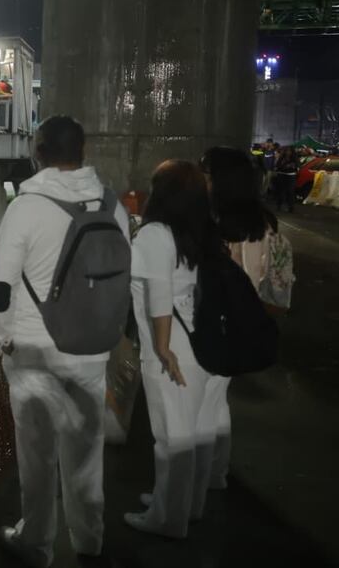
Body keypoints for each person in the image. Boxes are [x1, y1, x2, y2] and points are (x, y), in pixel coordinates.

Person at [0, 116, 130, 566]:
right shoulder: (114, 207)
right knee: (86, 455)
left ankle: (37, 542)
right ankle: (90, 541)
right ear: (83, 149)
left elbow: (1, 287)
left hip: (35, 352)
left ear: (38, 150)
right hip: (92, 350)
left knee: (37, 457)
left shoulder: (25, 208)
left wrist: (4, 337)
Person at [126, 160, 224, 539]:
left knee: (171, 437)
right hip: (196, 339)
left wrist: (163, 350)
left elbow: (160, 297)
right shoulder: (196, 231)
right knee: (190, 432)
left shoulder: (154, 235)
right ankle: (183, 505)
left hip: (170, 347)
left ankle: (167, 521)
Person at [199, 147, 294, 492]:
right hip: (241, 325)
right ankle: (215, 474)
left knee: (197, 406)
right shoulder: (269, 227)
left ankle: (192, 484)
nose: (203, 181)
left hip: (206, 325)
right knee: (216, 400)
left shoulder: (211, 226)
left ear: (221, 182)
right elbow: (281, 292)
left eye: (207, 175)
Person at [274, 146, 298, 213]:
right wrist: (283, 166)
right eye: (286, 151)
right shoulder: (281, 158)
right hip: (282, 175)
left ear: (292, 152)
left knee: (290, 192)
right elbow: (277, 166)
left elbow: (296, 166)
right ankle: (279, 205)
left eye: (289, 151)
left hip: (291, 176)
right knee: (281, 191)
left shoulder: (294, 158)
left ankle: (291, 207)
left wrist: (292, 166)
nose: (288, 152)